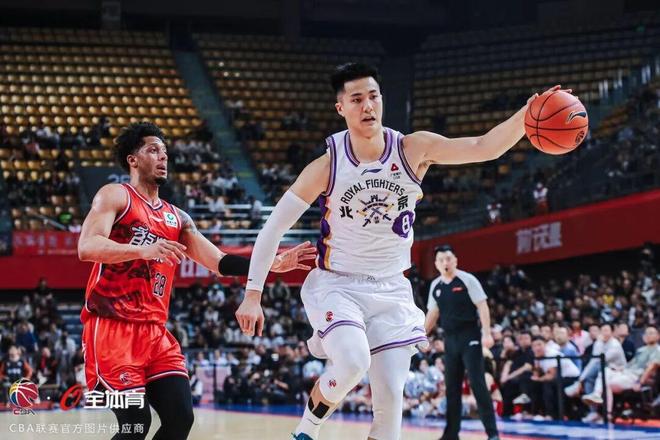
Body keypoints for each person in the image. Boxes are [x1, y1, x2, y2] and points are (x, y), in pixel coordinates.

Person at [235, 62, 558, 440]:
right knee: (352, 362)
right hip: (338, 285)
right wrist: (253, 294)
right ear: (341, 108)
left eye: (373, 96)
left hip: (391, 289)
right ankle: (306, 431)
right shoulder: (328, 165)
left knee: (390, 412)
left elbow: (483, 147)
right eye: (357, 99)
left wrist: (527, 115)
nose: (368, 105)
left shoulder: (412, 148)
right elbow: (273, 227)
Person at [77, 122, 314, 440]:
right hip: (112, 330)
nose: (163, 157)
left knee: (180, 419)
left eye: (164, 151)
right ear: (132, 160)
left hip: (155, 333)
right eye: (153, 150)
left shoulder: (177, 217)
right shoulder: (116, 195)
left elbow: (219, 262)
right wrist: (142, 250)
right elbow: (87, 247)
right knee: (135, 424)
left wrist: (271, 263)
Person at [425, 245, 500, 440]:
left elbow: (482, 306)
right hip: (450, 340)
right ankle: (451, 434)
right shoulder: (436, 286)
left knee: (477, 383)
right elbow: (433, 313)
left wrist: (486, 333)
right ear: (436, 264)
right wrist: (421, 335)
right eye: (441, 260)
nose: (445, 263)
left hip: (470, 337)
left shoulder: (467, 280)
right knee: (452, 387)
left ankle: (492, 433)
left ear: (455, 260)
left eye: (448, 259)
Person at [582, 326, 660, 418]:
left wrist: (640, 382)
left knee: (608, 384)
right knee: (606, 370)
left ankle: (607, 414)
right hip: (626, 374)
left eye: (651, 333)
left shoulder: (657, 350)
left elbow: (651, 367)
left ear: (658, 336)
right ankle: (596, 394)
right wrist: (618, 369)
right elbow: (630, 365)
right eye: (646, 333)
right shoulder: (641, 350)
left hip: (635, 378)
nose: (648, 335)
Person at [564, 322, 626, 422]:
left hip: (617, 372)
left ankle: (599, 403)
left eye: (606, 330)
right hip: (601, 372)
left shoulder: (615, 345)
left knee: (599, 370)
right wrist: (581, 379)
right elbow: (592, 362)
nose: (604, 333)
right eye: (602, 331)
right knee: (589, 380)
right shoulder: (599, 342)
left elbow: (602, 359)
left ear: (612, 332)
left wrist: (599, 342)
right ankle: (594, 412)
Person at [528, 336, 580, 420]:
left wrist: (538, 379)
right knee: (534, 384)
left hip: (572, 378)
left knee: (548, 384)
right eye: (534, 346)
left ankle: (551, 415)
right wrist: (537, 362)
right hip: (559, 378)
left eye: (539, 344)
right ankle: (536, 413)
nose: (537, 348)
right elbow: (536, 375)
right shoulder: (537, 355)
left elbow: (551, 376)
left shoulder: (552, 354)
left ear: (545, 344)